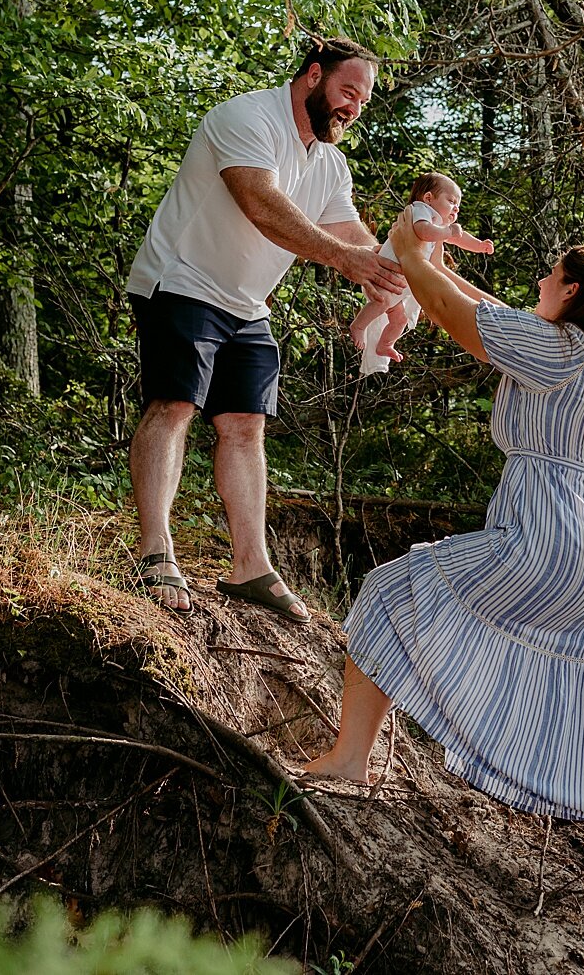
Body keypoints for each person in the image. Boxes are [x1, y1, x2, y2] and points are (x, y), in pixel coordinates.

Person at [300, 226, 584, 940]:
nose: (538, 282)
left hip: (552, 545)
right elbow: (493, 311)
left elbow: (460, 318)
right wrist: (437, 268)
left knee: (388, 591)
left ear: (570, 292)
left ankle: (351, 758)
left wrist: (412, 255)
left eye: (548, 274)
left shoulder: (556, 349)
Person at [124, 36, 404, 622]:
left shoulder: (329, 162)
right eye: (347, 90)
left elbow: (350, 233)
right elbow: (262, 204)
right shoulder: (245, 117)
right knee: (174, 406)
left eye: (364, 99)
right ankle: (155, 553)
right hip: (182, 281)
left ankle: (250, 567)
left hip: (248, 305)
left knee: (246, 426)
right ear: (312, 77)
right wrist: (348, 262)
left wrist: (396, 278)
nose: (354, 106)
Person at [350, 172, 494, 375]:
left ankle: (385, 344)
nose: (456, 207)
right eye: (451, 201)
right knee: (381, 304)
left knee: (399, 320)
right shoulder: (420, 211)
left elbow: (458, 235)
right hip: (384, 276)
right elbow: (423, 231)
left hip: (399, 284)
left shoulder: (439, 223)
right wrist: (448, 233)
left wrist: (478, 246)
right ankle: (358, 326)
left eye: (458, 204)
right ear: (428, 198)